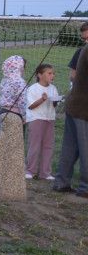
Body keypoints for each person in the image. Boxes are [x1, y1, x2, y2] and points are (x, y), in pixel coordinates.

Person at [54, 40, 88, 196]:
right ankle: (85, 187)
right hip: (83, 107)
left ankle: (62, 183)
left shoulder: (85, 48)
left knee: (70, 146)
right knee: (84, 147)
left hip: (74, 103)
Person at [25, 64, 60, 180]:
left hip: (49, 119)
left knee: (48, 146)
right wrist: (42, 99)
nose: (52, 75)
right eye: (49, 73)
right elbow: (30, 106)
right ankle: (30, 170)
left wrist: (56, 100)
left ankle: (45, 173)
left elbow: (55, 105)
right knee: (34, 145)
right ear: (40, 75)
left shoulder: (53, 88)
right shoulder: (33, 89)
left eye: (53, 73)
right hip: (36, 119)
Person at [0, 55, 27, 120]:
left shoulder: (4, 80)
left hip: (2, 113)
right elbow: (22, 100)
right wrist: (24, 115)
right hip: (15, 115)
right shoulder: (20, 82)